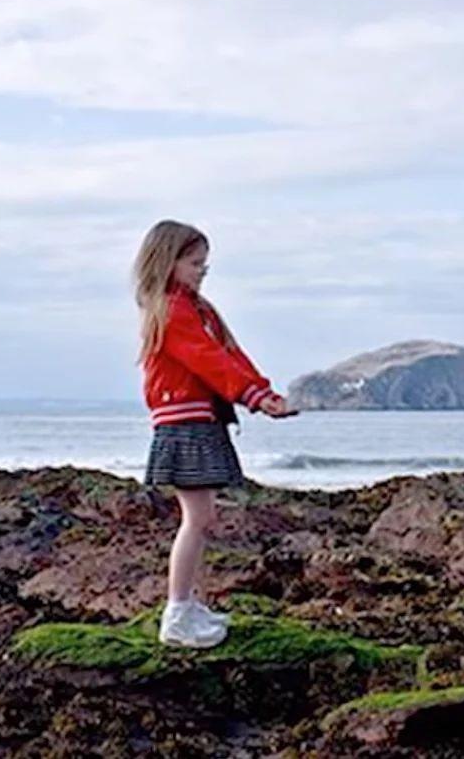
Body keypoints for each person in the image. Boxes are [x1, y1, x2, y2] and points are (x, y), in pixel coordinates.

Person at [133, 220, 297, 648]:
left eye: (204, 263)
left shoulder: (196, 309)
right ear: (167, 262)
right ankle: (177, 614)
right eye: (194, 263)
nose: (202, 270)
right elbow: (208, 360)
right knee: (196, 520)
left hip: (200, 420)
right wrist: (255, 396)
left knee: (203, 519)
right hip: (183, 423)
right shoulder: (172, 310)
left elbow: (229, 355)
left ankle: (191, 605)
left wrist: (262, 392)